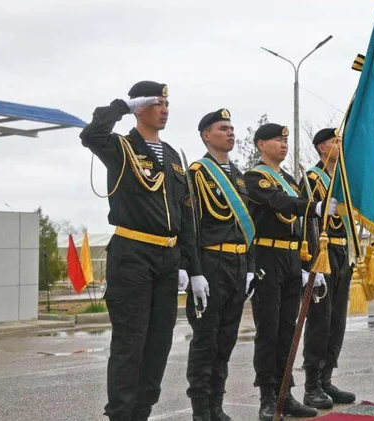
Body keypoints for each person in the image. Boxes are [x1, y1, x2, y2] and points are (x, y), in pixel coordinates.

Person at [80, 81, 204, 421]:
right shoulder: (121, 147)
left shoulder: (175, 157)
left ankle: (141, 412)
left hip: (167, 259)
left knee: (159, 342)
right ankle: (120, 415)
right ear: (140, 108)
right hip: (132, 254)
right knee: (130, 342)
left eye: (167, 103)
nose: (164, 109)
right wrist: (121, 104)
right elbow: (90, 134)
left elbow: (186, 216)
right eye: (156, 103)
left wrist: (192, 268)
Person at [243, 123, 337, 420]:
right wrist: (315, 207)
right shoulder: (255, 177)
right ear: (260, 144)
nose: (283, 144)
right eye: (275, 140)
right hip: (267, 257)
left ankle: (286, 393)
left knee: (288, 329)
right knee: (268, 330)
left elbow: (301, 225)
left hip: (291, 257)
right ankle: (267, 397)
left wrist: (310, 267)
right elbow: (279, 203)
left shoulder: (287, 178)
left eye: (285, 140)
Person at [184, 109, 255, 421]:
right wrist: (193, 270)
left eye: (232, 128)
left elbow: (248, 227)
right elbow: (190, 226)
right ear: (206, 135)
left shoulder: (239, 177)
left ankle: (217, 405)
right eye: (223, 128)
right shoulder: (197, 174)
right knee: (206, 339)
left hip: (238, 263)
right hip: (211, 263)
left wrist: (251, 265)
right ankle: (201, 409)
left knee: (226, 340)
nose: (230, 133)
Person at [300, 128, 357, 409]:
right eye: (336, 141)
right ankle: (311, 386)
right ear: (322, 148)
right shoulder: (312, 178)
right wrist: (310, 263)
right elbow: (307, 222)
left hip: (343, 251)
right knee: (320, 321)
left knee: (337, 321)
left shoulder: (342, 180)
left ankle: (326, 378)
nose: (340, 145)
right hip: (322, 254)